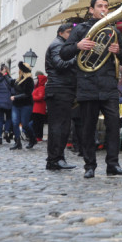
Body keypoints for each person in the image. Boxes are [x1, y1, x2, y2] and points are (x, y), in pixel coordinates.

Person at [61, 0, 122, 179]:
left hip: (108, 85)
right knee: (88, 128)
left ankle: (113, 164)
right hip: (87, 84)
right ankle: (89, 165)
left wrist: (119, 51)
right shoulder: (80, 29)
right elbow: (64, 53)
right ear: (91, 9)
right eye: (100, 6)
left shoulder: (113, 31)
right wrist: (78, 45)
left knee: (114, 125)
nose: (104, 9)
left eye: (106, 6)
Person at [45, 23, 78, 171]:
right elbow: (59, 64)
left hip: (61, 89)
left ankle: (56, 158)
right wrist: (77, 59)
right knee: (60, 126)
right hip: (59, 89)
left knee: (61, 126)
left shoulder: (60, 44)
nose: (71, 35)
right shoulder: (58, 45)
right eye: (69, 32)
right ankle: (56, 159)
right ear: (60, 33)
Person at [9, 61, 37, 150]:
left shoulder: (29, 80)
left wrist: (15, 97)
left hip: (26, 104)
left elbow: (27, 94)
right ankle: (17, 142)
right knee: (15, 122)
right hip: (16, 104)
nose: (18, 71)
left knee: (25, 124)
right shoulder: (18, 80)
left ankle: (33, 139)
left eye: (20, 69)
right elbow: (10, 83)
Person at [0, 64, 14, 144]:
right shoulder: (10, 79)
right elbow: (13, 91)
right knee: (8, 118)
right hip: (8, 101)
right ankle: (7, 131)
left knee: (0, 119)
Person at [32, 70, 47, 142]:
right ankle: (37, 136)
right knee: (37, 123)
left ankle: (38, 136)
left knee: (38, 123)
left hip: (38, 108)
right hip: (37, 108)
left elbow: (40, 97)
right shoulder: (39, 87)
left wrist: (32, 97)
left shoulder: (41, 88)